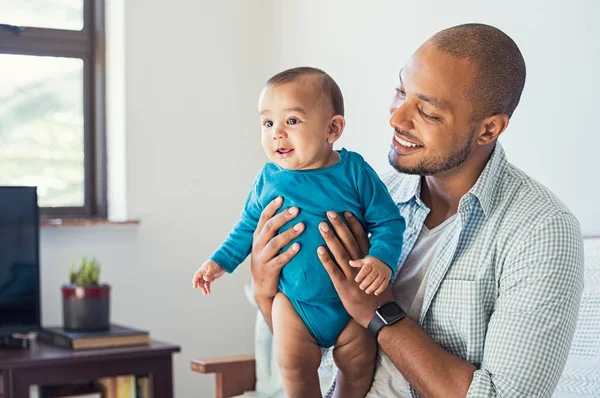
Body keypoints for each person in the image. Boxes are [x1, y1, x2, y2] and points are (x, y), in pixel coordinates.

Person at [250, 23, 585, 397]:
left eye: (426, 111)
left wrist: (380, 312)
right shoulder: (373, 195)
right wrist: (267, 292)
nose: (396, 119)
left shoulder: (541, 231)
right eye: (401, 91)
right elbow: (319, 347)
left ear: (488, 129)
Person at [192, 67, 406, 397]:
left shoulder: (354, 171)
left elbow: (388, 222)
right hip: (294, 306)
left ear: (332, 129)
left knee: (358, 362)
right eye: (267, 123)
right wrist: (218, 262)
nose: (277, 133)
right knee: (293, 365)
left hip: (352, 305)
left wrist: (381, 259)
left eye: (291, 121)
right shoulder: (268, 179)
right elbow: (247, 227)